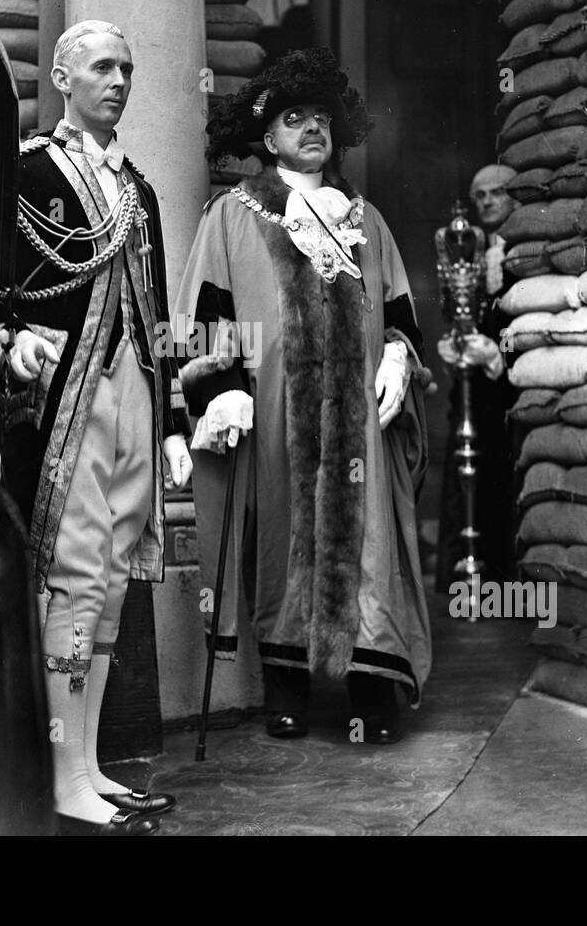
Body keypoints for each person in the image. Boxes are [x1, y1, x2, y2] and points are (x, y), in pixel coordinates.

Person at [176, 48, 434, 745]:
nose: (312, 129)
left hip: (358, 413)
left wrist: (399, 357)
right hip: (277, 405)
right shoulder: (233, 214)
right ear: (269, 137)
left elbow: (401, 309)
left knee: (367, 544)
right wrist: (224, 388)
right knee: (282, 540)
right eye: (296, 119)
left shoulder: (365, 217)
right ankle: (284, 690)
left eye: (322, 118)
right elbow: (205, 313)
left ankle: (371, 695)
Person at [0, 20, 192, 835]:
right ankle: (58, 775)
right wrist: (8, 335)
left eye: (128, 69)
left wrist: (174, 414)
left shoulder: (136, 187)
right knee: (70, 580)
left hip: (134, 394)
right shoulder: (27, 171)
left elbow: (158, 307)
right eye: (102, 67)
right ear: (63, 78)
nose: (119, 81)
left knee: (108, 584)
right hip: (65, 401)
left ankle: (89, 767)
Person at [435, 164, 519, 588]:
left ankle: (505, 581)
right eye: (479, 195)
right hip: (477, 392)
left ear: (515, 196)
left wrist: (500, 353)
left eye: (496, 193)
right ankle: (468, 579)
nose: (486, 202)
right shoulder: (469, 248)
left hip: (514, 388)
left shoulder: (528, 249)